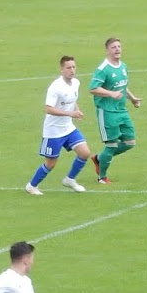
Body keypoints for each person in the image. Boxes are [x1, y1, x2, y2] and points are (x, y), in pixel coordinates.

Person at [25, 55, 95, 195]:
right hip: (53, 131)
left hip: (68, 128)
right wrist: (70, 114)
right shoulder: (55, 87)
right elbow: (49, 109)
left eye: (74, 67)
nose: (72, 70)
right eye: (68, 67)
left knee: (85, 153)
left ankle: (70, 179)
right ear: (62, 69)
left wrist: (77, 110)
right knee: (51, 163)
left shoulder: (76, 83)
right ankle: (31, 186)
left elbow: (72, 100)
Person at [90, 36, 142, 184]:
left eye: (119, 46)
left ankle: (99, 159)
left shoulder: (123, 66)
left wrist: (132, 99)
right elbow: (93, 88)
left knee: (130, 142)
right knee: (111, 144)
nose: (117, 49)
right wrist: (111, 94)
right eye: (113, 47)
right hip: (106, 111)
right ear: (107, 51)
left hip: (121, 110)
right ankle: (102, 177)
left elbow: (123, 86)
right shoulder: (103, 69)